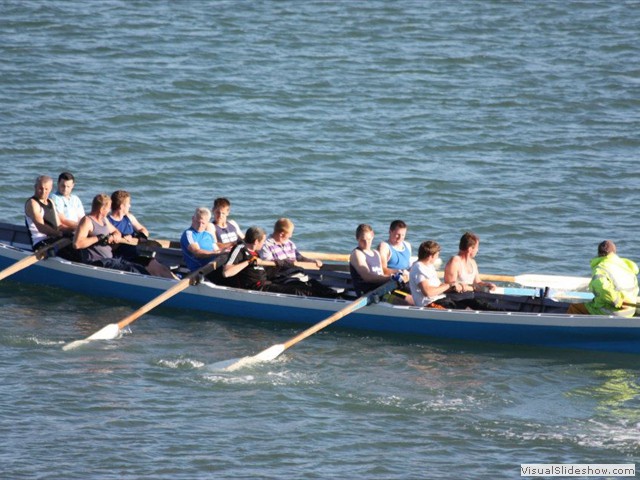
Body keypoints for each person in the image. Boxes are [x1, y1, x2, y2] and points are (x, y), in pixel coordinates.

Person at [222, 226, 318, 296]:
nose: (264, 243)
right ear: (256, 241)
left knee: (302, 285)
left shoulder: (257, 251)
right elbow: (226, 273)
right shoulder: (240, 249)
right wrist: (248, 262)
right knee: (297, 292)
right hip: (256, 287)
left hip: (268, 281)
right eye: (263, 241)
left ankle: (328, 296)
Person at [259, 218, 338, 298]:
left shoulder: (289, 243)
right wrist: (288, 263)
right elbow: (268, 264)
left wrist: (313, 261)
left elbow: (299, 257)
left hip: (297, 273)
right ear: (281, 234)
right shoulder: (266, 245)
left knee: (324, 289)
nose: (291, 236)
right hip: (282, 277)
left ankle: (335, 297)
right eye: (290, 233)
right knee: (307, 291)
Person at [107, 190, 177, 279]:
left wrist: (138, 237)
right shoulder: (108, 221)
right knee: (148, 272)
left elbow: (143, 230)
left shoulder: (129, 217)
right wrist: (123, 240)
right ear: (121, 206)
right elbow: (110, 247)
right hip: (120, 260)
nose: (130, 206)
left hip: (134, 256)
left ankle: (179, 284)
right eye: (128, 203)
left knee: (160, 268)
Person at [73, 193, 148, 274]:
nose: (109, 210)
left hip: (110, 259)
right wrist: (99, 238)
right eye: (108, 208)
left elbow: (116, 231)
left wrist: (115, 236)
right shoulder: (87, 221)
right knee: (132, 270)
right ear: (102, 209)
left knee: (139, 268)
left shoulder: (104, 220)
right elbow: (77, 244)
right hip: (97, 262)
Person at [567, 240, 639, 318]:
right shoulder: (626, 266)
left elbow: (603, 289)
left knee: (574, 308)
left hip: (614, 312)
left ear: (598, 253)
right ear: (614, 252)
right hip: (630, 310)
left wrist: (617, 301)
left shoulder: (601, 268)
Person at [24, 175, 78, 260]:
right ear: (35, 187)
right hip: (41, 243)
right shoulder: (32, 203)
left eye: (46, 189)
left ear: (51, 188)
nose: (43, 192)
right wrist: (59, 234)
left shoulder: (51, 202)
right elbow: (41, 227)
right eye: (40, 188)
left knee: (78, 244)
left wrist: (76, 229)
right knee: (73, 252)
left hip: (55, 239)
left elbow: (59, 226)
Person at [409, 240, 464, 308]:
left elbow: (439, 286)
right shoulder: (418, 267)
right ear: (430, 256)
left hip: (441, 299)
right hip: (429, 304)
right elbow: (428, 292)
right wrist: (449, 285)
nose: (437, 257)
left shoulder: (429, 266)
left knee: (467, 305)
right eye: (437, 255)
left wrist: (454, 286)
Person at [349, 224, 394, 296]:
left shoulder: (376, 253)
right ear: (357, 238)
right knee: (406, 301)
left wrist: (399, 272)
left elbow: (381, 274)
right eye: (363, 240)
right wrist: (390, 278)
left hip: (381, 289)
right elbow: (367, 277)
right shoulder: (357, 254)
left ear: (372, 236)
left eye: (369, 239)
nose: (367, 243)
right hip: (368, 294)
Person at [180, 207, 220, 273]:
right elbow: (197, 252)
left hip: (213, 267)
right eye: (198, 222)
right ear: (193, 219)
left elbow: (216, 250)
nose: (200, 225)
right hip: (200, 270)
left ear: (207, 223)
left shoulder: (208, 235)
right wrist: (216, 253)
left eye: (203, 223)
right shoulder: (189, 234)